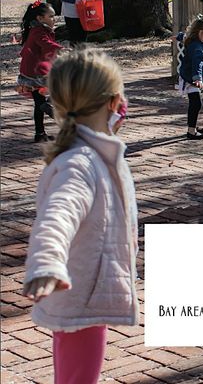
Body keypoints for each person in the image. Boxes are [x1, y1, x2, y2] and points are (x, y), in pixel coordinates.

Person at [23, 47, 135, 384]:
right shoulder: (81, 163)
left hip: (80, 291)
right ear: (114, 101)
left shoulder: (91, 151)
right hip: (81, 295)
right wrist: (46, 263)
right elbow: (58, 216)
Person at [18, 0, 63, 143]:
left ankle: (40, 133)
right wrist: (60, 49)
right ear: (40, 18)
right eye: (51, 16)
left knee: (39, 103)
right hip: (36, 72)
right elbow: (46, 43)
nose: (54, 19)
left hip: (31, 71)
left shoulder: (36, 29)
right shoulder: (39, 31)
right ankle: (50, 104)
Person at [177, 14, 203, 140]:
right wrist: (197, 78)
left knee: (195, 103)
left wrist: (177, 37)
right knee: (196, 103)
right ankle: (191, 131)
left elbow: (185, 37)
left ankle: (192, 126)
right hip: (190, 78)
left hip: (189, 76)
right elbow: (197, 63)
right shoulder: (198, 48)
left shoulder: (195, 42)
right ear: (201, 33)